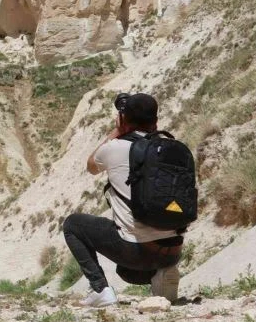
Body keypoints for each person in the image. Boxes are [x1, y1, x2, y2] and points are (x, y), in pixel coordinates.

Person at [64, 93, 183, 307]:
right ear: (155, 121)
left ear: (123, 119)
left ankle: (100, 289)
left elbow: (91, 166)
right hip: (173, 251)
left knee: (72, 224)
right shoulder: (171, 148)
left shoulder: (114, 148)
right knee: (125, 271)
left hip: (137, 253)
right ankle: (163, 273)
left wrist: (117, 131)